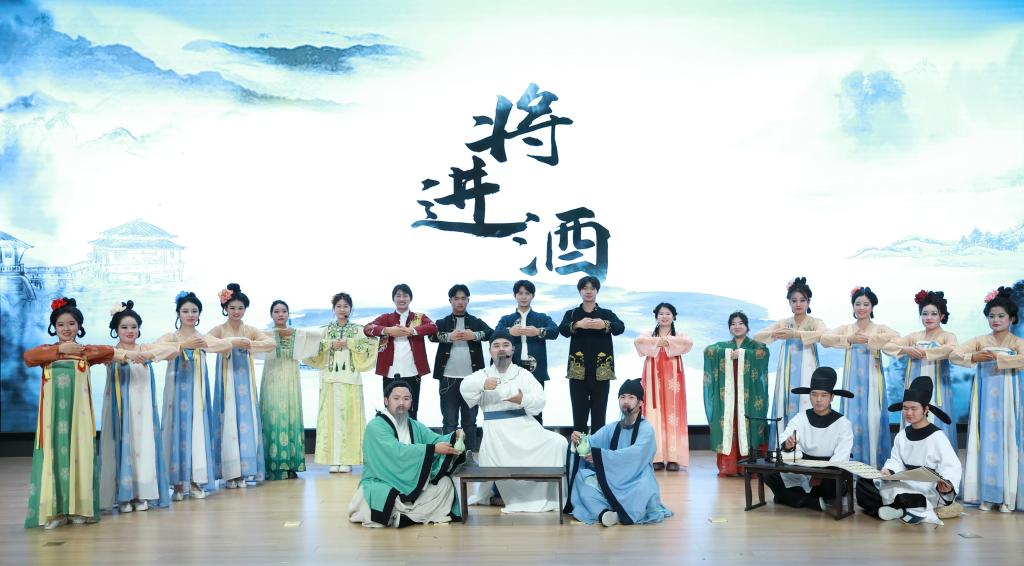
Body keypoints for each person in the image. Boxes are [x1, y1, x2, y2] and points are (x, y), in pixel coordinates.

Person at [23, 298, 115, 529]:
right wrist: (59, 350)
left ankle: (79, 509)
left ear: (79, 326)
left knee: (79, 456)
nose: (66, 329)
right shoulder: (46, 352)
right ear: (54, 327)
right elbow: (28, 357)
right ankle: (54, 512)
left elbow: (110, 351)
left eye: (71, 324)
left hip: (79, 419)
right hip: (52, 419)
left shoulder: (85, 352)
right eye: (61, 324)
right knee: (53, 458)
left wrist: (140, 353)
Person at [461, 330, 568, 512]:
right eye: (496, 346)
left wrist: (522, 399)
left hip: (524, 427)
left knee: (559, 442)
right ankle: (507, 495)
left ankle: (549, 495)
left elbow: (540, 400)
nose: (501, 349)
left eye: (505, 345)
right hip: (497, 433)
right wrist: (482, 384)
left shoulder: (522, 374)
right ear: (490, 351)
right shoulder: (483, 374)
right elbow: (465, 387)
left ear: (513, 349)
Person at [348, 380, 466, 528]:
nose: (401, 403)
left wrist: (454, 437)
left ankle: (407, 517)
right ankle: (415, 515)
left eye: (406, 398)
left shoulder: (414, 425)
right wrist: (432, 449)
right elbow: (395, 451)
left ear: (411, 401)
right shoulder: (375, 427)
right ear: (386, 401)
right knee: (379, 494)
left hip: (412, 482)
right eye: (396, 398)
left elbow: (435, 440)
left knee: (445, 484)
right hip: (384, 480)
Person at [951, 286, 1024, 512]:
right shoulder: (980, 340)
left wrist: (1001, 359)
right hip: (983, 399)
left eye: (1001, 316)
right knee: (983, 440)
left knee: (1007, 440)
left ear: (1012, 318)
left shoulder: (1016, 342)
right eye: (991, 316)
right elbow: (954, 354)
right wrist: (973, 356)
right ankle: (986, 495)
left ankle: (1007, 496)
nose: (996, 320)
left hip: (1008, 399)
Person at [99, 300, 174, 514]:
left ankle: (142, 493)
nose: (129, 331)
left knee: (144, 448)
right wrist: (127, 356)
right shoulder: (111, 352)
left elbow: (173, 350)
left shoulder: (144, 349)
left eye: (134, 327)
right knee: (122, 447)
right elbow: (98, 355)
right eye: (124, 327)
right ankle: (124, 495)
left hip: (143, 412)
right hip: (121, 413)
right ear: (116, 329)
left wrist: (148, 355)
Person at [565, 379, 673, 526]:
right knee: (583, 480)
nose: (625, 401)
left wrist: (600, 456)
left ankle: (614, 512)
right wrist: (578, 441)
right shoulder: (612, 428)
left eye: (631, 397)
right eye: (622, 397)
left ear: (640, 403)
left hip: (636, 479)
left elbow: (636, 454)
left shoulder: (646, 429)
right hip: (612, 479)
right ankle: (604, 513)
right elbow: (591, 442)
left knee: (642, 489)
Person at [857, 376, 961, 525]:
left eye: (914, 408)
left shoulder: (938, 437)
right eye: (905, 408)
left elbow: (951, 466)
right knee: (863, 484)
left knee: (903, 496)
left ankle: (896, 509)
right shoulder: (902, 435)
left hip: (927, 487)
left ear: (926, 409)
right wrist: (889, 471)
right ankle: (901, 510)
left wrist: (947, 484)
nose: (909, 413)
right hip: (904, 481)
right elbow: (896, 461)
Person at [156, 291, 230, 501]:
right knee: (176, 432)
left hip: (198, 393)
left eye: (194, 311)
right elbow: (155, 348)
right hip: (176, 392)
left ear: (199, 314)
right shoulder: (172, 337)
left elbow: (226, 344)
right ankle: (178, 483)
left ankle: (196, 480)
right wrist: (180, 346)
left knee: (197, 431)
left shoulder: (203, 338)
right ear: (178, 313)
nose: (190, 315)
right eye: (186, 311)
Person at [821, 286, 900, 467]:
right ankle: (851, 467)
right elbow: (824, 339)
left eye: (866, 304)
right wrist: (849, 339)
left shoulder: (879, 329)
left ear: (872, 307)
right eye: (858, 304)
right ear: (853, 306)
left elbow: (897, 338)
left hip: (873, 381)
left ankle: (874, 466)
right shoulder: (847, 329)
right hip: (852, 382)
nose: (861, 308)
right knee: (851, 421)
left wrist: (873, 339)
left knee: (873, 419)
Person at [208, 283, 275, 487]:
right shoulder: (220, 329)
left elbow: (270, 343)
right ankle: (230, 473)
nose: (236, 311)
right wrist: (230, 343)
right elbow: (205, 342)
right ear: (225, 308)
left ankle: (245, 471)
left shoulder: (250, 330)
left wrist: (249, 344)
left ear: (245, 309)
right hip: (226, 380)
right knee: (228, 419)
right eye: (232, 308)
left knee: (247, 420)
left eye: (240, 308)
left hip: (245, 381)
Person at [762, 367, 854, 513]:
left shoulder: (843, 423)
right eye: (814, 394)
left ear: (831, 397)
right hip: (803, 470)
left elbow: (841, 457)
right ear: (809, 395)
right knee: (768, 473)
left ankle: (791, 497)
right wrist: (788, 444)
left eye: (824, 395)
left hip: (828, 474)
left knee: (832, 483)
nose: (818, 400)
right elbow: (785, 438)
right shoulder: (801, 418)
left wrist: (819, 476)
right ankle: (809, 501)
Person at [306, 293, 378, 473]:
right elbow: (310, 345)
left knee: (349, 419)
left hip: (351, 379)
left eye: (346, 306)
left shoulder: (359, 330)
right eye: (338, 306)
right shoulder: (325, 330)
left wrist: (350, 343)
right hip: (329, 378)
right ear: (333, 309)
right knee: (331, 420)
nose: (342, 309)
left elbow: (372, 344)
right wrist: (329, 344)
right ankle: (333, 459)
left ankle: (348, 460)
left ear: (351, 309)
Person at [753, 277, 828, 442]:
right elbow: (757, 336)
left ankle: (808, 446)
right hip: (786, 371)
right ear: (789, 303)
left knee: (806, 400)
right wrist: (774, 333)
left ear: (809, 302)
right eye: (794, 300)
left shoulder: (815, 322)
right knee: (784, 402)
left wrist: (796, 334)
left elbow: (824, 335)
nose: (798, 304)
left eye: (802, 300)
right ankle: (783, 445)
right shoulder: (784, 323)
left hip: (808, 370)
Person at [882, 290, 959, 449]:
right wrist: (906, 349)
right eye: (924, 314)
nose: (928, 317)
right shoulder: (914, 337)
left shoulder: (947, 336)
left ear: (942, 316)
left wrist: (927, 353)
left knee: (935, 418)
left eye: (934, 314)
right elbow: (887, 347)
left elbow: (952, 349)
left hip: (937, 388)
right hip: (914, 387)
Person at [703, 311, 771, 477]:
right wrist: (727, 354)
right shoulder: (725, 346)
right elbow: (708, 350)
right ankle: (731, 466)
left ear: (747, 326)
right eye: (733, 324)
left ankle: (750, 467)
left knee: (749, 425)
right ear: (729, 328)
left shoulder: (756, 346)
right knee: (730, 425)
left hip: (749, 397)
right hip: (729, 397)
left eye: (740, 323)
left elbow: (763, 355)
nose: (737, 326)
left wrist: (742, 354)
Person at [429, 284, 493, 452]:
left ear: (468, 301)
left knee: (470, 422)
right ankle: (448, 458)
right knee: (449, 422)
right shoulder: (442, 322)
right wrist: (448, 336)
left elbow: (491, 333)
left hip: (472, 379)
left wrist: (474, 335)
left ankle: (469, 456)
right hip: (447, 379)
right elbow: (431, 336)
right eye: (456, 298)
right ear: (450, 300)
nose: (460, 302)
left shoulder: (475, 322)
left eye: (463, 298)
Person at [559, 276, 625, 434]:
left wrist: (605, 324)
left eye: (592, 288)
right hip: (578, 372)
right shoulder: (572, 313)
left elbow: (620, 328)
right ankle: (580, 448)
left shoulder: (606, 313)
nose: (588, 291)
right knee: (579, 416)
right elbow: (562, 330)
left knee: (599, 416)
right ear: (580, 291)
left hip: (601, 371)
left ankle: (597, 448)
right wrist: (577, 324)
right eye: (585, 288)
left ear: (597, 291)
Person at [633, 302, 693, 471]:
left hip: (673, 377)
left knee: (673, 413)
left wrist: (664, 342)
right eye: (661, 314)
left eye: (668, 313)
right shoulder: (648, 334)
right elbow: (639, 341)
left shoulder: (679, 334)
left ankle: (673, 458)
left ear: (674, 316)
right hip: (653, 376)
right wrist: (662, 342)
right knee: (654, 413)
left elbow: (687, 342)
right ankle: (656, 456)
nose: (664, 316)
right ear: (656, 317)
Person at [364, 284, 437, 420]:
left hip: (412, 371)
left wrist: (412, 331)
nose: (402, 299)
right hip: (390, 372)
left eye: (405, 296)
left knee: (412, 412)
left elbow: (433, 327)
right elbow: (367, 329)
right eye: (398, 296)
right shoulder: (386, 318)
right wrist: (387, 330)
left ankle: (411, 434)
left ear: (410, 298)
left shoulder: (418, 317)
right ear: (393, 299)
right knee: (390, 412)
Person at [494, 280, 559, 423]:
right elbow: (495, 334)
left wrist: (538, 331)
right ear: (515, 295)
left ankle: (537, 437)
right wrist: (509, 332)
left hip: (536, 371)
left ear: (533, 296)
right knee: (511, 409)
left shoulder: (541, 318)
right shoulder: (507, 319)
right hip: (512, 370)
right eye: (520, 293)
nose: (523, 297)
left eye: (527, 293)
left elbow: (555, 331)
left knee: (535, 410)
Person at [259, 300, 308, 480]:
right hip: (272, 378)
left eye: (284, 311)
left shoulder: (298, 334)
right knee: (273, 416)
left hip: (291, 379)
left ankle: (291, 464)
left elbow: (312, 346)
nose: (280, 314)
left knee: (290, 416)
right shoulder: (264, 335)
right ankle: (272, 465)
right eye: (276, 311)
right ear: (271, 314)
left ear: (288, 314)